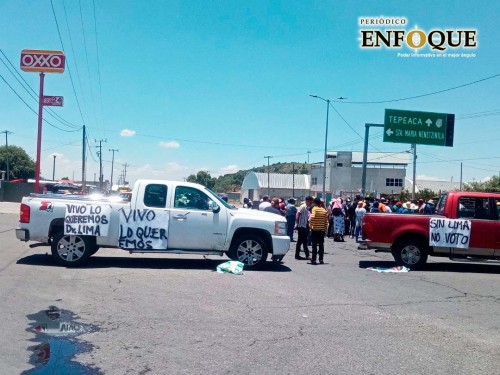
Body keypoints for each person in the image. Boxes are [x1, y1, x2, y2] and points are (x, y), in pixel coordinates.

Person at [309, 197, 328, 265]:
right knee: (321, 245)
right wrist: (325, 228)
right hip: (322, 230)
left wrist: (310, 225)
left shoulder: (314, 209)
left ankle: (314, 260)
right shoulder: (324, 210)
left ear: (314, 203)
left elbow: (312, 217)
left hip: (315, 230)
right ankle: (321, 259)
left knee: (314, 245)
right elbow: (326, 221)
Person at [295, 196, 313, 260]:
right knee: (300, 241)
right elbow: (298, 214)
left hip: (305, 226)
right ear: (308, 201)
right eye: (311, 201)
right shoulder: (303, 206)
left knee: (304, 241)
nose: (311, 203)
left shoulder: (307, 207)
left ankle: (307, 255)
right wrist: (297, 224)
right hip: (301, 226)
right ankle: (297, 255)